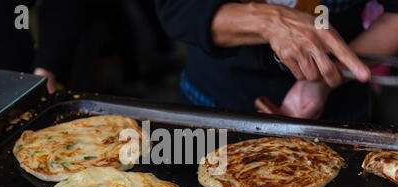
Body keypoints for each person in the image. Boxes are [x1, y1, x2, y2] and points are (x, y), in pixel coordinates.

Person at [156, 0, 398, 121]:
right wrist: (269, 20)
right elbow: (177, 9)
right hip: (216, 99)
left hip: (337, 103)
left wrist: (324, 79)